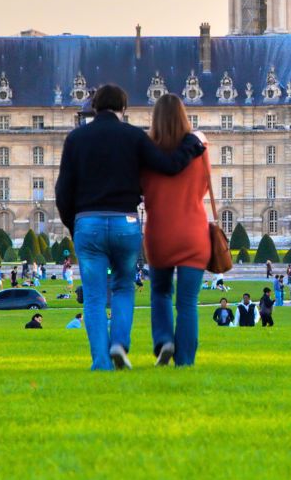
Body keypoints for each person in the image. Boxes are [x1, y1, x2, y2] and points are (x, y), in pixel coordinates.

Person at [55, 83, 203, 371]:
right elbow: (169, 166)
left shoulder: (76, 138)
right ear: (124, 109)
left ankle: (101, 362)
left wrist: (75, 225)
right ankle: (119, 344)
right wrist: (191, 145)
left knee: (95, 297)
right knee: (123, 287)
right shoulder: (134, 136)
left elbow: (63, 192)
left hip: (88, 222)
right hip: (125, 222)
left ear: (95, 107)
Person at [140, 94, 214, 367]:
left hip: (160, 233)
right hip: (194, 232)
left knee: (160, 293)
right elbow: (205, 187)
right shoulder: (200, 147)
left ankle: (163, 340)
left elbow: (142, 187)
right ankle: (184, 362)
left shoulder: (147, 151)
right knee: (187, 303)